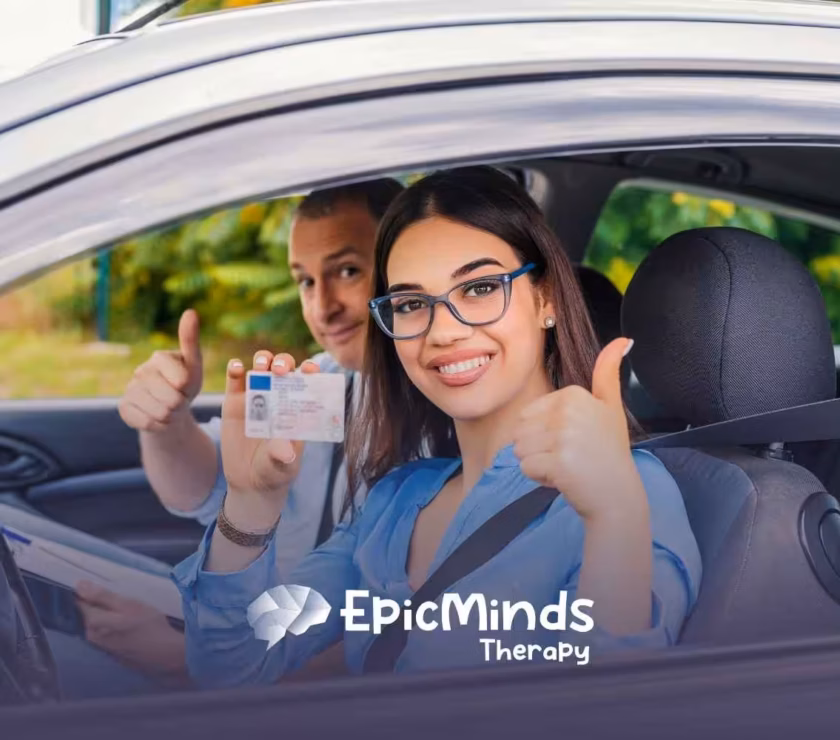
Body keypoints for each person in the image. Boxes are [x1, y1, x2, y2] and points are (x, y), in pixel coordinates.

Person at [174, 166, 702, 686]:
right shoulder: (394, 502)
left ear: (546, 299)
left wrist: (614, 515)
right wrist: (249, 506)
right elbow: (237, 662)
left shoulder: (628, 490)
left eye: (479, 288)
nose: (443, 331)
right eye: (410, 303)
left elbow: (615, 709)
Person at [0, 178, 404, 693]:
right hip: (256, 635)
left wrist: (182, 658)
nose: (321, 308)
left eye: (347, 271)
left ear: (401, 266)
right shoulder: (322, 384)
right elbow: (200, 486)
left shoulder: (450, 425)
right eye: (304, 281)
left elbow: (407, 642)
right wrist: (167, 422)